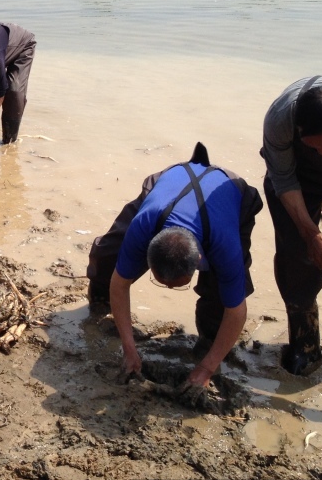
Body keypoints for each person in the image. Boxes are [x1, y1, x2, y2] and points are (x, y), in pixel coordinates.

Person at [86, 143, 263, 389]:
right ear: (148, 251)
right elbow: (120, 283)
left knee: (221, 294)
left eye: (178, 285)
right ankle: (98, 301)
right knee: (109, 255)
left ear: (200, 260)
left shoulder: (224, 244)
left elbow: (236, 311)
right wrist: (129, 349)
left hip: (232, 192)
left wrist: (206, 368)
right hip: (171, 181)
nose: (168, 289)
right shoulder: (144, 226)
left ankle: (210, 346)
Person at [261, 74, 322, 375]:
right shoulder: (280, 119)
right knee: (298, 256)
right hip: (298, 179)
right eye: (313, 146)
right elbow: (284, 179)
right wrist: (311, 233)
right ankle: (305, 346)